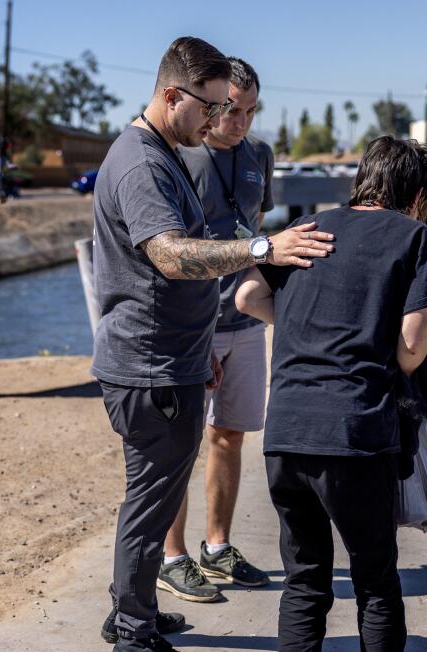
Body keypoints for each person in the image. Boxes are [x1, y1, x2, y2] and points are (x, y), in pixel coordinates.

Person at [91, 36, 335, 652]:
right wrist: (262, 250)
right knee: (150, 500)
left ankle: (129, 610)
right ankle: (135, 638)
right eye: (209, 105)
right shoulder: (143, 164)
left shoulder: (163, 151)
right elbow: (171, 255)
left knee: (149, 493)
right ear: (173, 95)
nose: (215, 118)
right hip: (148, 365)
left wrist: (202, 348)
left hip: (172, 357)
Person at [236, 136, 427, 652]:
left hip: (288, 434)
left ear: (363, 180)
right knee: (375, 580)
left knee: (304, 582)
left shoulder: (307, 230)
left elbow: (249, 296)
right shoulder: (414, 240)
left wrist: (310, 330)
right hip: (355, 434)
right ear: (418, 195)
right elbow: (411, 350)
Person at [156, 56, 274, 604]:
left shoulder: (260, 156)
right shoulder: (180, 155)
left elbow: (257, 227)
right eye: (232, 110)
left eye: (251, 111)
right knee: (180, 443)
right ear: (212, 103)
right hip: (194, 323)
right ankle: (172, 555)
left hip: (244, 320)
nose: (242, 122)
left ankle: (217, 546)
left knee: (230, 435)